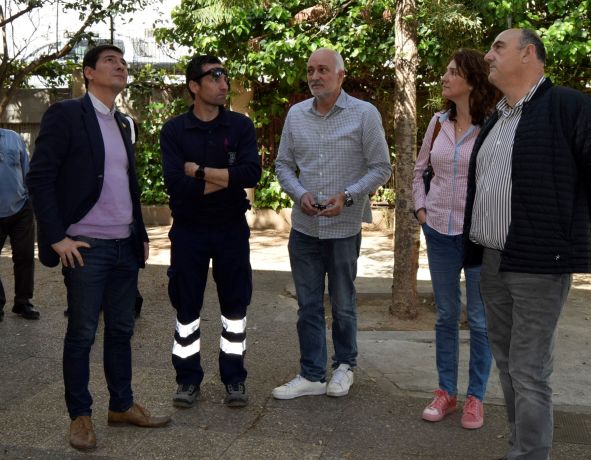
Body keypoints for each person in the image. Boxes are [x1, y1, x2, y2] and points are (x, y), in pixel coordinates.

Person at [462, 29, 591, 459]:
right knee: (508, 365)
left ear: (529, 53)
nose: (488, 55)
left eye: (498, 47)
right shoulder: (496, 116)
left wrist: (578, 230)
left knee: (529, 370)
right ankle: (522, 446)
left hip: (539, 265)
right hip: (493, 262)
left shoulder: (571, 107)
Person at [27, 44, 171, 452]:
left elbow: (128, 183)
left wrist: (140, 234)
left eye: (123, 62)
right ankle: (81, 417)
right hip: (86, 247)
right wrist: (57, 236)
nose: (121, 66)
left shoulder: (124, 123)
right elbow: (40, 177)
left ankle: (122, 405)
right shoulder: (67, 114)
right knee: (82, 333)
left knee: (122, 330)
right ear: (88, 73)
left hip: (125, 244)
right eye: (110, 61)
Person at [273, 48, 391, 400]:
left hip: (344, 229)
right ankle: (311, 373)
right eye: (310, 70)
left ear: (341, 75)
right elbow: (282, 165)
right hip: (305, 229)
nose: (315, 76)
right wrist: (299, 193)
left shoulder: (364, 114)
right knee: (307, 304)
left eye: (323, 69)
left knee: (342, 302)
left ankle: (344, 366)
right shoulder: (296, 115)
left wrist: (348, 196)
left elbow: (381, 167)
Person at [160, 55, 261, 409]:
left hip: (231, 228)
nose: (223, 83)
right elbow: (176, 185)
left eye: (225, 75)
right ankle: (187, 380)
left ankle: (234, 378)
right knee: (186, 308)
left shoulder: (240, 127)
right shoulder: (174, 131)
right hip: (189, 230)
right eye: (215, 76)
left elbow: (251, 175)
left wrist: (200, 172)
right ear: (194, 86)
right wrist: (225, 178)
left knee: (235, 305)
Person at [411, 49, 499, 430]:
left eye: (452, 72)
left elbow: (501, 181)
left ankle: (475, 397)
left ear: (471, 80)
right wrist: (421, 210)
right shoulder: (436, 123)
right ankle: (446, 392)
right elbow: (418, 172)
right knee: (446, 316)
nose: (445, 78)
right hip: (439, 232)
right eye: (445, 71)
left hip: (478, 234)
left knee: (479, 321)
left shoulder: (494, 125)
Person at [0, 128, 39, 321]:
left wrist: (30, 201)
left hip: (20, 208)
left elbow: (27, 171)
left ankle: (23, 302)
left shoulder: (13, 137)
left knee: (24, 257)